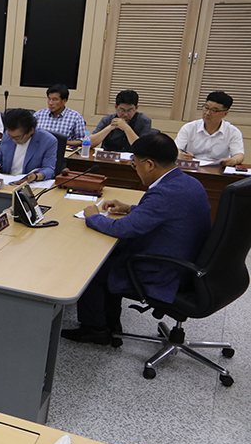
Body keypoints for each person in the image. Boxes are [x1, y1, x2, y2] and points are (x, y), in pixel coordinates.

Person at [62, 133, 211, 345]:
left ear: (149, 164)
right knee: (112, 255)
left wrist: (93, 217)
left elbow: (124, 229)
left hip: (165, 272)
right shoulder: (189, 182)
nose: (136, 169)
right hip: (188, 262)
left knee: (92, 269)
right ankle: (110, 323)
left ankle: (95, 329)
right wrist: (130, 208)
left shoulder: (163, 193)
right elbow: (166, 214)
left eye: (135, 164)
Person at [0, 108, 59, 182]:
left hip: (31, 185)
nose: (13, 140)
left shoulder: (48, 141)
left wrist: (35, 176)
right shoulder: (7, 136)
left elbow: (49, 169)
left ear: (31, 130)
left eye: (17, 137)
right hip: (7, 181)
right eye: (11, 136)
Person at [175, 91, 245, 166]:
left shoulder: (233, 132)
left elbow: (239, 154)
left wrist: (234, 160)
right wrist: (180, 155)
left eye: (213, 110)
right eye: (206, 108)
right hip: (191, 168)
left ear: (225, 114)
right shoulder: (189, 127)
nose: (207, 113)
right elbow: (176, 148)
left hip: (217, 170)